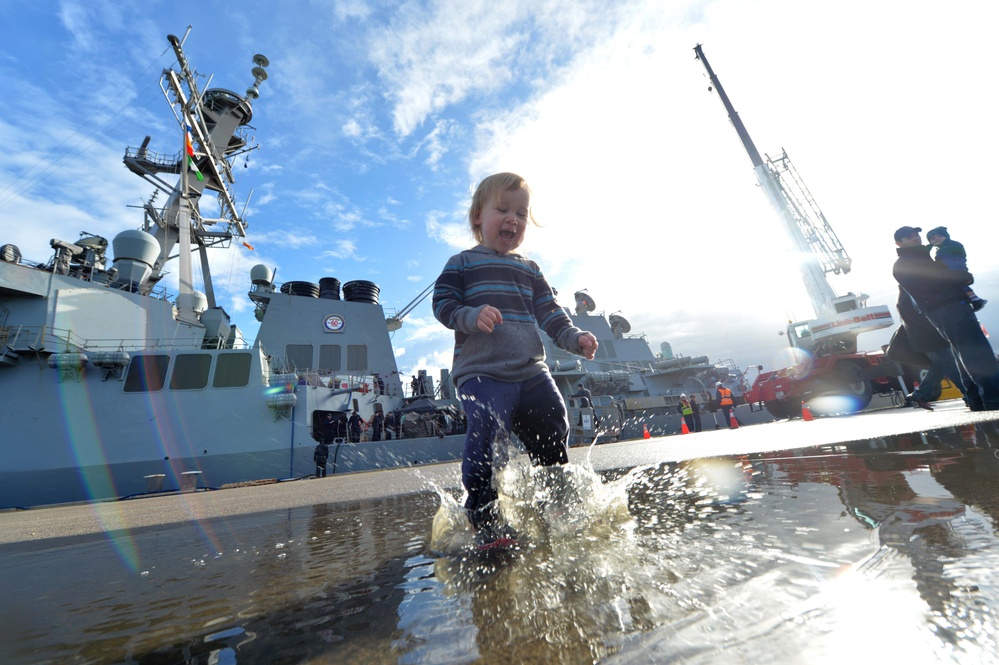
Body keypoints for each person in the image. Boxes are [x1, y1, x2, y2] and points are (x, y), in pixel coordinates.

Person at [432, 172, 599, 544]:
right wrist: (470, 317)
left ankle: (555, 502)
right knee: (487, 436)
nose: (513, 219)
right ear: (478, 216)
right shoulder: (461, 263)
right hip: (482, 373)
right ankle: (485, 517)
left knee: (553, 421)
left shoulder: (531, 269)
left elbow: (551, 314)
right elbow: (442, 304)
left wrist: (575, 338)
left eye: (521, 214)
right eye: (503, 209)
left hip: (531, 371)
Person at [892, 225, 999, 411]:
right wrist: (960, 276)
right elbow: (932, 282)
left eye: (916, 234)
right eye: (909, 237)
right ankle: (992, 395)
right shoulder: (907, 263)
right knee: (976, 351)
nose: (916, 238)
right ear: (899, 243)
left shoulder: (919, 258)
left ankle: (977, 398)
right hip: (948, 307)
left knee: (963, 354)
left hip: (945, 308)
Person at [895, 285, 974, 410]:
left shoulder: (905, 297)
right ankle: (970, 396)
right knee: (951, 366)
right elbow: (921, 319)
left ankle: (920, 394)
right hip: (930, 339)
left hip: (926, 340)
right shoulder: (908, 297)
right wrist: (939, 327)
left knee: (940, 367)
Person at [926, 226, 987, 311]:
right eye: (933, 239)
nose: (937, 239)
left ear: (946, 237)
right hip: (948, 270)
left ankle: (976, 300)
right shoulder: (940, 251)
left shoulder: (952, 245)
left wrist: (948, 242)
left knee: (960, 284)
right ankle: (973, 300)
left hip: (957, 268)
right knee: (959, 286)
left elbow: (959, 250)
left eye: (940, 236)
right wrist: (927, 249)